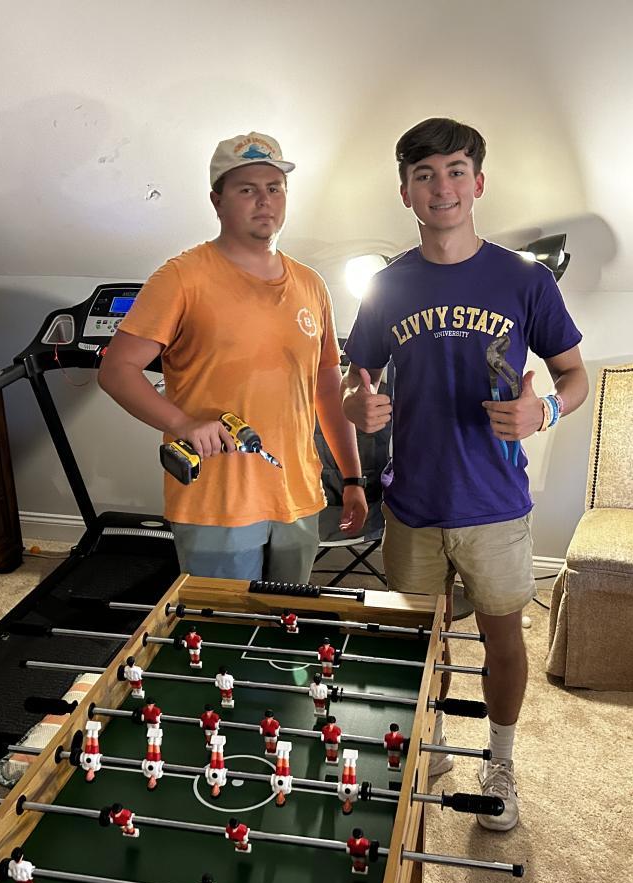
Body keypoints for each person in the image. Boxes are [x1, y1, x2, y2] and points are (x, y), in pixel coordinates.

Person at [342, 117, 589, 832]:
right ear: (405, 192)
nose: (441, 187)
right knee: (423, 638)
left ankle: (500, 761)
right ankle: (433, 743)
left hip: (495, 504)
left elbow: (574, 376)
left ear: (478, 183)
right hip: (413, 501)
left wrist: (545, 409)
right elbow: (357, 376)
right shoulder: (386, 286)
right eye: (424, 175)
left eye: (455, 171)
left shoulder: (525, 280)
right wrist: (358, 403)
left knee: (503, 637)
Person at [98, 131, 366, 582]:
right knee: (222, 621)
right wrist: (184, 425)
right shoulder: (181, 278)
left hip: (297, 494)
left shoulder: (310, 284)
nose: (264, 201)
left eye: (274, 188)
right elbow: (116, 371)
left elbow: (326, 385)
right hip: (216, 502)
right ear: (217, 201)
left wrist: (353, 478)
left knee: (284, 617)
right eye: (247, 190)